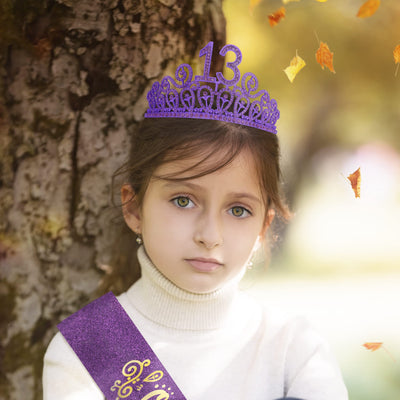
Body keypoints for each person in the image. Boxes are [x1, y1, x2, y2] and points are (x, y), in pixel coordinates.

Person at [43, 42, 348, 400]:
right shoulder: (91, 349)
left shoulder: (294, 349)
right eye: (183, 201)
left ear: (263, 227)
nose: (210, 235)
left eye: (238, 210)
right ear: (134, 208)